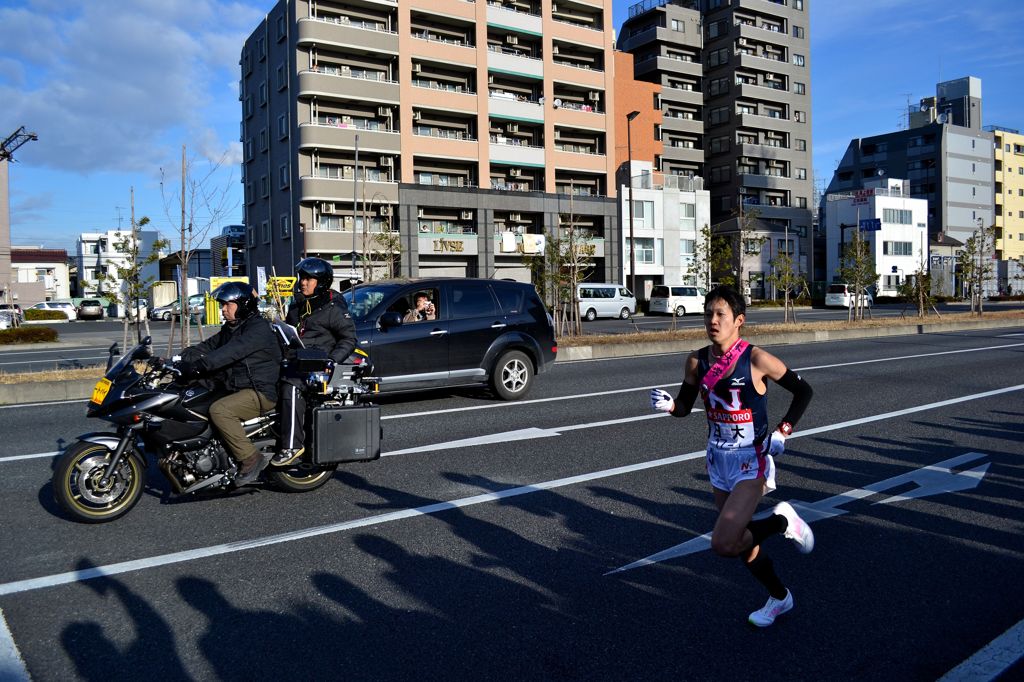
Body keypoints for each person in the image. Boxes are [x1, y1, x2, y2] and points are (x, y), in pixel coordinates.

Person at [649, 285, 814, 627]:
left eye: (721, 314)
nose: (712, 320)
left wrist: (783, 430)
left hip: (750, 461)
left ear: (738, 320)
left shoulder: (756, 359)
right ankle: (780, 598)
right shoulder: (696, 361)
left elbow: (803, 391)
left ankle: (782, 521)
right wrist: (670, 406)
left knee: (723, 543)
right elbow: (684, 406)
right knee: (739, 542)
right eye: (708, 312)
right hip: (717, 460)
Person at [177, 282, 282, 486]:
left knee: (220, 410)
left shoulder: (257, 330)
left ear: (243, 304)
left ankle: (251, 458)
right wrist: (177, 360)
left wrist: (198, 367)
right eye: (222, 305)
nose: (223, 309)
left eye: (228, 305)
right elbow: (207, 347)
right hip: (237, 386)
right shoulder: (232, 327)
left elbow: (226, 354)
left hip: (261, 391)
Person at [274, 257, 357, 465]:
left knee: (291, 387)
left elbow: (349, 339)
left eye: (309, 279)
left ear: (321, 282)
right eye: (302, 277)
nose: (303, 282)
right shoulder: (298, 305)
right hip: (296, 358)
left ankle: (292, 445)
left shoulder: (332, 308)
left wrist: (331, 361)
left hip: (317, 364)